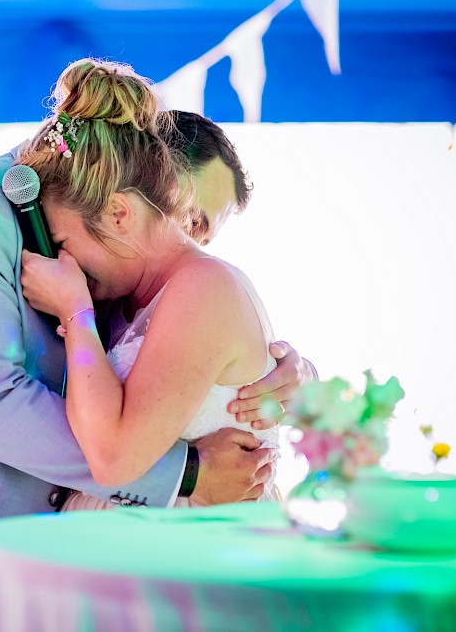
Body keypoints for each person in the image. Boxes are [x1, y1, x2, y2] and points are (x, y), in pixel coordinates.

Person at [0, 58, 315, 632]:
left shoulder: (133, 272)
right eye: (190, 214)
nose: (194, 237)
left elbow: (170, 361)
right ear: (132, 193)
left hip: (77, 580)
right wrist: (187, 474)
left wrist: (286, 373)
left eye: (207, 227)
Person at [16, 64, 284, 510]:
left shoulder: (205, 286)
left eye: (62, 242)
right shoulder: (127, 300)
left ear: (119, 214)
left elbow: (115, 459)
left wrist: (75, 315)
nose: (60, 262)